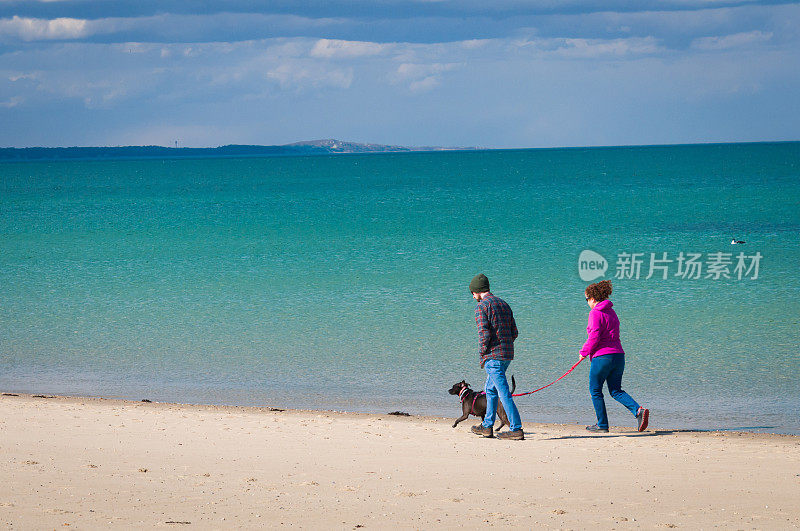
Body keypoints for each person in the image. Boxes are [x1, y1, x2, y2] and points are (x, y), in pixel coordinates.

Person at [579, 280, 649, 433]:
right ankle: (638, 411)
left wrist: (583, 352)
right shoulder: (612, 312)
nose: (587, 303)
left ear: (592, 298)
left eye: (586, 299)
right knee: (616, 390)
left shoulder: (595, 312)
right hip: (619, 356)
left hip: (602, 357)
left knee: (595, 390)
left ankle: (602, 425)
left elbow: (595, 336)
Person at [469, 273, 524, 440]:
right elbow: (514, 332)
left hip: (493, 356)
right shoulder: (504, 304)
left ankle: (516, 428)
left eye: (473, 293)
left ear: (477, 292)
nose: (473, 296)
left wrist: (482, 353)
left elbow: (484, 334)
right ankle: (487, 426)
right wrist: (505, 345)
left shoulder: (481, 307)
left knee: (503, 393)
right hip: (507, 354)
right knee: (490, 390)